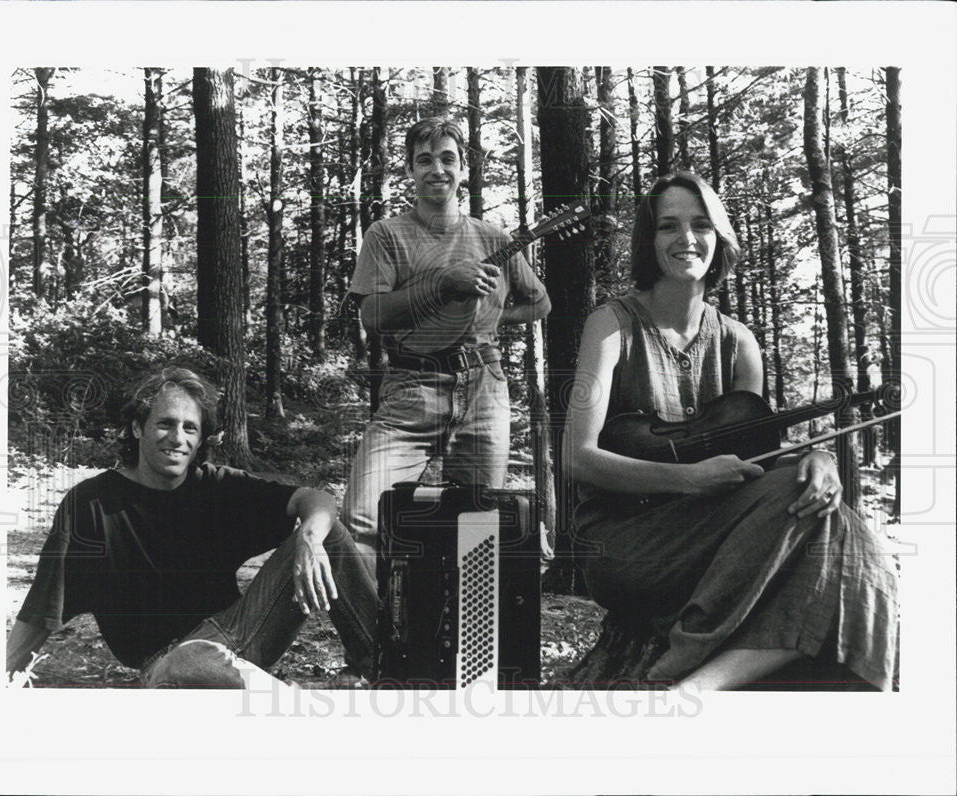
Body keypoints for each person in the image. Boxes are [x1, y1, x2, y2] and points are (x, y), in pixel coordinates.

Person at [565, 172, 899, 690]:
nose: (686, 239)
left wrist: (820, 461)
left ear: (720, 237)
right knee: (812, 509)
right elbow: (578, 457)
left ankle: (696, 690)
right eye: (668, 226)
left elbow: (754, 457)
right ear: (648, 241)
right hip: (622, 544)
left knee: (838, 520)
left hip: (719, 536)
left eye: (701, 224)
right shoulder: (609, 326)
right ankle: (691, 662)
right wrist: (688, 480)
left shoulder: (739, 341)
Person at [6, 366, 377, 688]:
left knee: (327, 533)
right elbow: (41, 610)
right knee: (192, 660)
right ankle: (296, 702)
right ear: (137, 427)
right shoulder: (90, 503)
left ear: (200, 439)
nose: (178, 438)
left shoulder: (215, 486)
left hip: (240, 636)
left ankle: (385, 664)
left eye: (190, 428)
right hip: (167, 664)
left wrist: (309, 540)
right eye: (165, 423)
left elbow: (316, 498)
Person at [343, 117, 551, 569]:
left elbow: (539, 303)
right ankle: (375, 636)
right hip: (411, 387)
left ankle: (462, 636)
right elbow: (372, 316)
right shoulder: (386, 234)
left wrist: (491, 319)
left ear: (463, 170)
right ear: (410, 170)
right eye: (424, 160)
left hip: (485, 387)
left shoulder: (492, 237)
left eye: (448, 159)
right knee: (359, 519)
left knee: (477, 528)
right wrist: (441, 285)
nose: (437, 169)